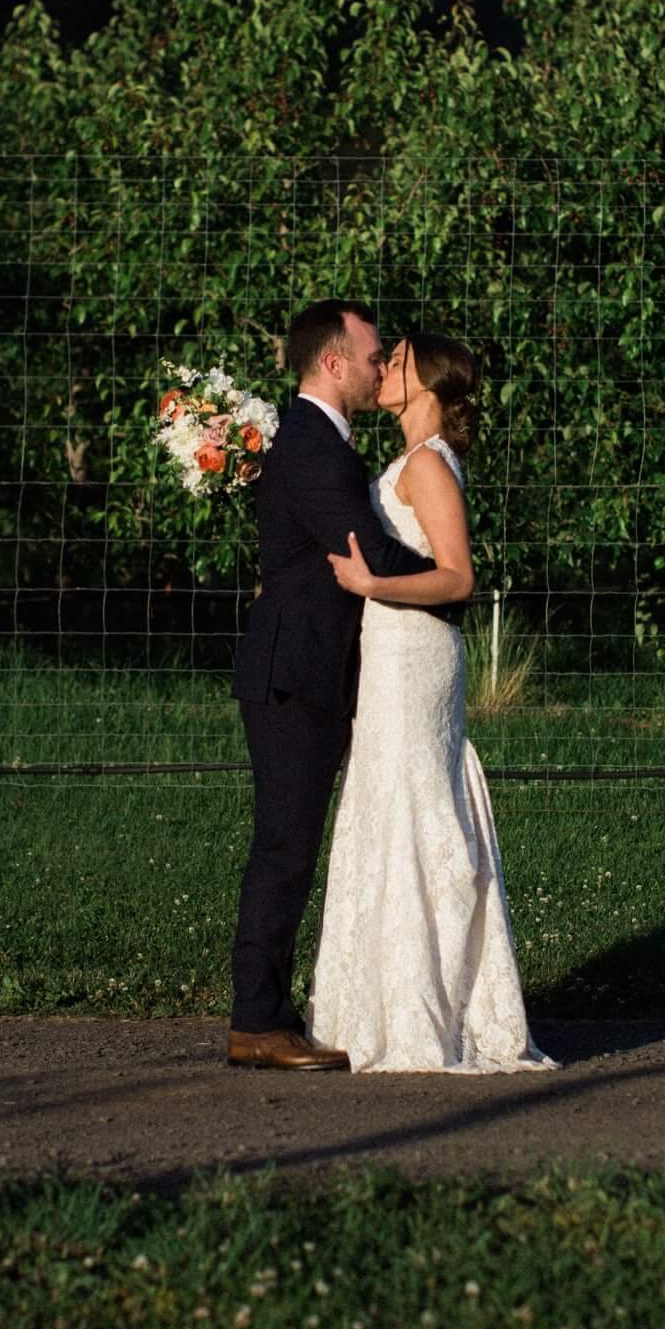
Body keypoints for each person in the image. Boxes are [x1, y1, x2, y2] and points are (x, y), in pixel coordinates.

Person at [306, 332, 557, 1073]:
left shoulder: (427, 465)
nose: (382, 370)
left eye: (398, 362)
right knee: (385, 807)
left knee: (416, 809)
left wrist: (373, 586)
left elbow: (458, 578)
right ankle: (373, 1003)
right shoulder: (403, 462)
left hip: (416, 657)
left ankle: (426, 1011)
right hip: (387, 656)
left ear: (432, 384)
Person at [228, 299, 451, 1068]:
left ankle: (270, 1011)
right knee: (285, 846)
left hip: (312, 667)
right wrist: (450, 582)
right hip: (294, 672)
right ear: (332, 362)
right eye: (370, 355)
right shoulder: (317, 448)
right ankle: (257, 1023)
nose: (377, 366)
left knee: (292, 843)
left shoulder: (320, 442)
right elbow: (370, 556)